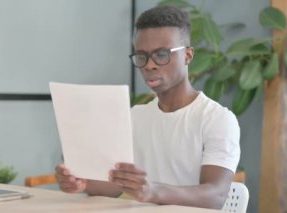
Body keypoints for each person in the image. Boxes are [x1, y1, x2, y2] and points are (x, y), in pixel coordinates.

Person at [55, 5, 240, 210]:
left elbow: (216, 195)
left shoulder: (216, 119)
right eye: (142, 56)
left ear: (188, 55)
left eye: (162, 54)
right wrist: (83, 183)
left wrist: (153, 191)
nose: (149, 65)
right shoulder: (135, 117)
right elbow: (115, 186)